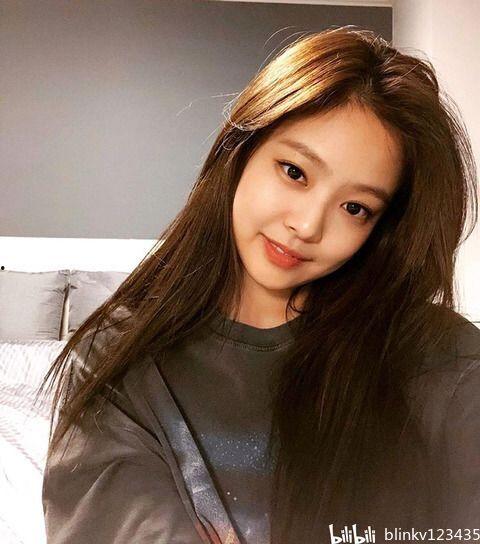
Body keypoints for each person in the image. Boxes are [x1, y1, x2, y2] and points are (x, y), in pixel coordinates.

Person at [39, 26, 480, 544]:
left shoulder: (440, 361)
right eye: (294, 172)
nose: (308, 226)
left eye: (354, 207)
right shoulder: (116, 359)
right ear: (241, 150)